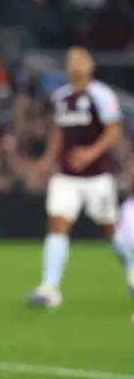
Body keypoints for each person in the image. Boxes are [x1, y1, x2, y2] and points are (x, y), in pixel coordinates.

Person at [27, 46, 132, 307]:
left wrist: (90, 153)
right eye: (71, 59)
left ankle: (131, 267)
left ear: (90, 65)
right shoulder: (61, 97)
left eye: (80, 59)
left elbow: (114, 130)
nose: (75, 63)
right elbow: (59, 132)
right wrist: (48, 158)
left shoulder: (101, 94)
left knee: (109, 228)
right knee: (58, 224)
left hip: (97, 176)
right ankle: (50, 287)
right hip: (66, 175)